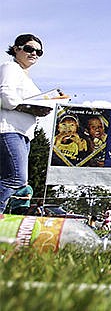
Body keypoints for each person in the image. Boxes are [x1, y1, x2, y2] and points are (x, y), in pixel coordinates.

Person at [0, 34, 52, 213]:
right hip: (8, 129)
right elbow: (6, 97)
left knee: (19, 182)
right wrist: (31, 108)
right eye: (29, 49)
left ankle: (14, 219)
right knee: (15, 178)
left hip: (24, 134)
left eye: (39, 52)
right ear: (16, 49)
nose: (34, 54)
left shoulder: (25, 77)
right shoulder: (10, 67)